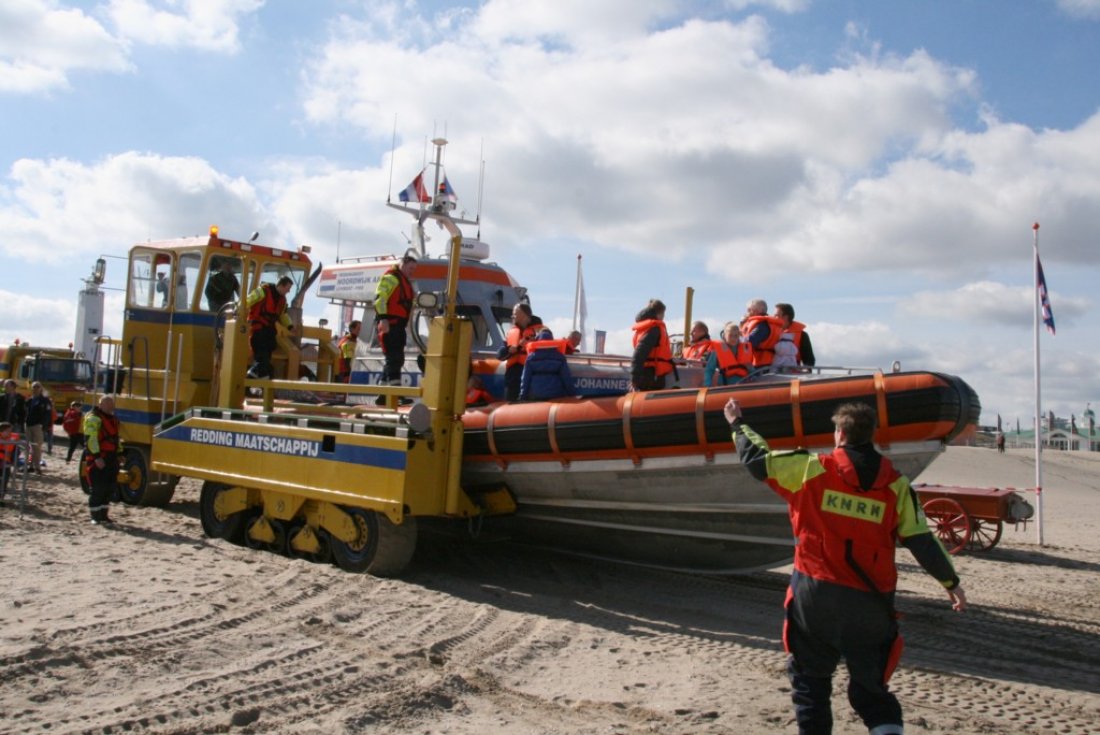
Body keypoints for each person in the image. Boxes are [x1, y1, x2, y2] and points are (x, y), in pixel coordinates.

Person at [725, 398, 966, 735]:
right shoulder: (896, 487)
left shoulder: (811, 468)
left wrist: (737, 423)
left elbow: (757, 460)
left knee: (810, 684)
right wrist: (951, 583)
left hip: (816, 596)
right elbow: (921, 540)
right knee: (871, 691)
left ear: (839, 433)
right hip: (870, 603)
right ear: (872, 435)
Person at [374, 254, 418, 397]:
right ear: (402, 264)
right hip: (390, 324)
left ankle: (382, 395)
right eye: (410, 268)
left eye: (414, 269)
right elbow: (380, 299)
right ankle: (395, 394)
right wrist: (383, 319)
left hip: (398, 326)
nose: (412, 271)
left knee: (395, 359)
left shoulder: (404, 281)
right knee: (394, 358)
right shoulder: (391, 279)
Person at [83, 395, 124, 525]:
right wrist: (96, 457)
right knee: (98, 488)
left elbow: (116, 438)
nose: (111, 406)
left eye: (112, 404)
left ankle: (104, 515)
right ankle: (95, 516)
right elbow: (91, 439)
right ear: (100, 405)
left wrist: (119, 453)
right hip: (99, 457)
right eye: (108, 404)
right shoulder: (93, 419)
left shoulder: (113, 420)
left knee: (109, 488)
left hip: (111, 458)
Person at [246, 276, 295, 379]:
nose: (289, 291)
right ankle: (258, 376)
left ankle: (257, 374)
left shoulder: (282, 300)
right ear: (281, 285)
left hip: (269, 330)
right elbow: (247, 301)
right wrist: (237, 311)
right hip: (258, 329)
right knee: (262, 354)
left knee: (269, 350)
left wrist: (290, 326)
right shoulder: (262, 292)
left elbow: (283, 315)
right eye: (288, 288)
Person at [631, 299, 675, 391]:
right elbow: (639, 353)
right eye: (663, 314)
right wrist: (635, 378)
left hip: (648, 374)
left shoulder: (646, 327)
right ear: (659, 313)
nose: (663, 317)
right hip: (651, 376)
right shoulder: (654, 329)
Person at [520, 329, 576, 401]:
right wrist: (572, 394)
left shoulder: (530, 358)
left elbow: (525, 379)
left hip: (536, 394)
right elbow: (566, 378)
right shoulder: (560, 357)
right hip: (556, 395)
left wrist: (522, 396)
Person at [498, 303, 539, 401]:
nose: (512, 316)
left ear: (524, 315)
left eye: (515, 313)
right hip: (513, 376)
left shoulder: (538, 332)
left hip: (531, 373)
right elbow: (500, 355)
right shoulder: (511, 332)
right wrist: (510, 349)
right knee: (511, 401)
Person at [740, 298, 785, 368]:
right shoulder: (769, 323)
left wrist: (733, 340)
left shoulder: (762, 325)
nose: (747, 312)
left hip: (760, 365)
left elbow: (750, 342)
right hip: (770, 362)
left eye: (749, 310)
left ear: (756, 311)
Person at [703, 322, 752, 386]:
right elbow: (709, 370)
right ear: (724, 336)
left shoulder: (745, 349)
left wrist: (750, 368)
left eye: (736, 335)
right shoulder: (717, 351)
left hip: (742, 385)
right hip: (725, 386)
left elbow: (752, 370)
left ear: (739, 336)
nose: (733, 338)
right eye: (730, 335)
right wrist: (707, 384)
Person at [773, 302, 816, 370]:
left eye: (776, 315)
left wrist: (806, 372)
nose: (773, 318)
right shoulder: (770, 332)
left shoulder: (802, 335)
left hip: (793, 375)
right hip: (770, 374)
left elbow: (809, 360)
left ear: (785, 317)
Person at [25, 382, 51, 474]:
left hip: (37, 426)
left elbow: (48, 414)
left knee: (36, 447)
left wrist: (43, 425)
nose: (35, 388)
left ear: (41, 388)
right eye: (34, 387)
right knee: (28, 447)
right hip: (28, 425)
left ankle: (37, 467)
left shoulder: (45, 401)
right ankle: (29, 465)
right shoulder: (30, 400)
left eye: (37, 387)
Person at [0, 421, 21, 504]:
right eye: (7, 431)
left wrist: (14, 462)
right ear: (2, 431)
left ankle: (1, 498)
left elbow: (17, 451)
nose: (9, 432)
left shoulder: (13, 439)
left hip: (6, 463)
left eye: (10, 430)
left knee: (4, 481)